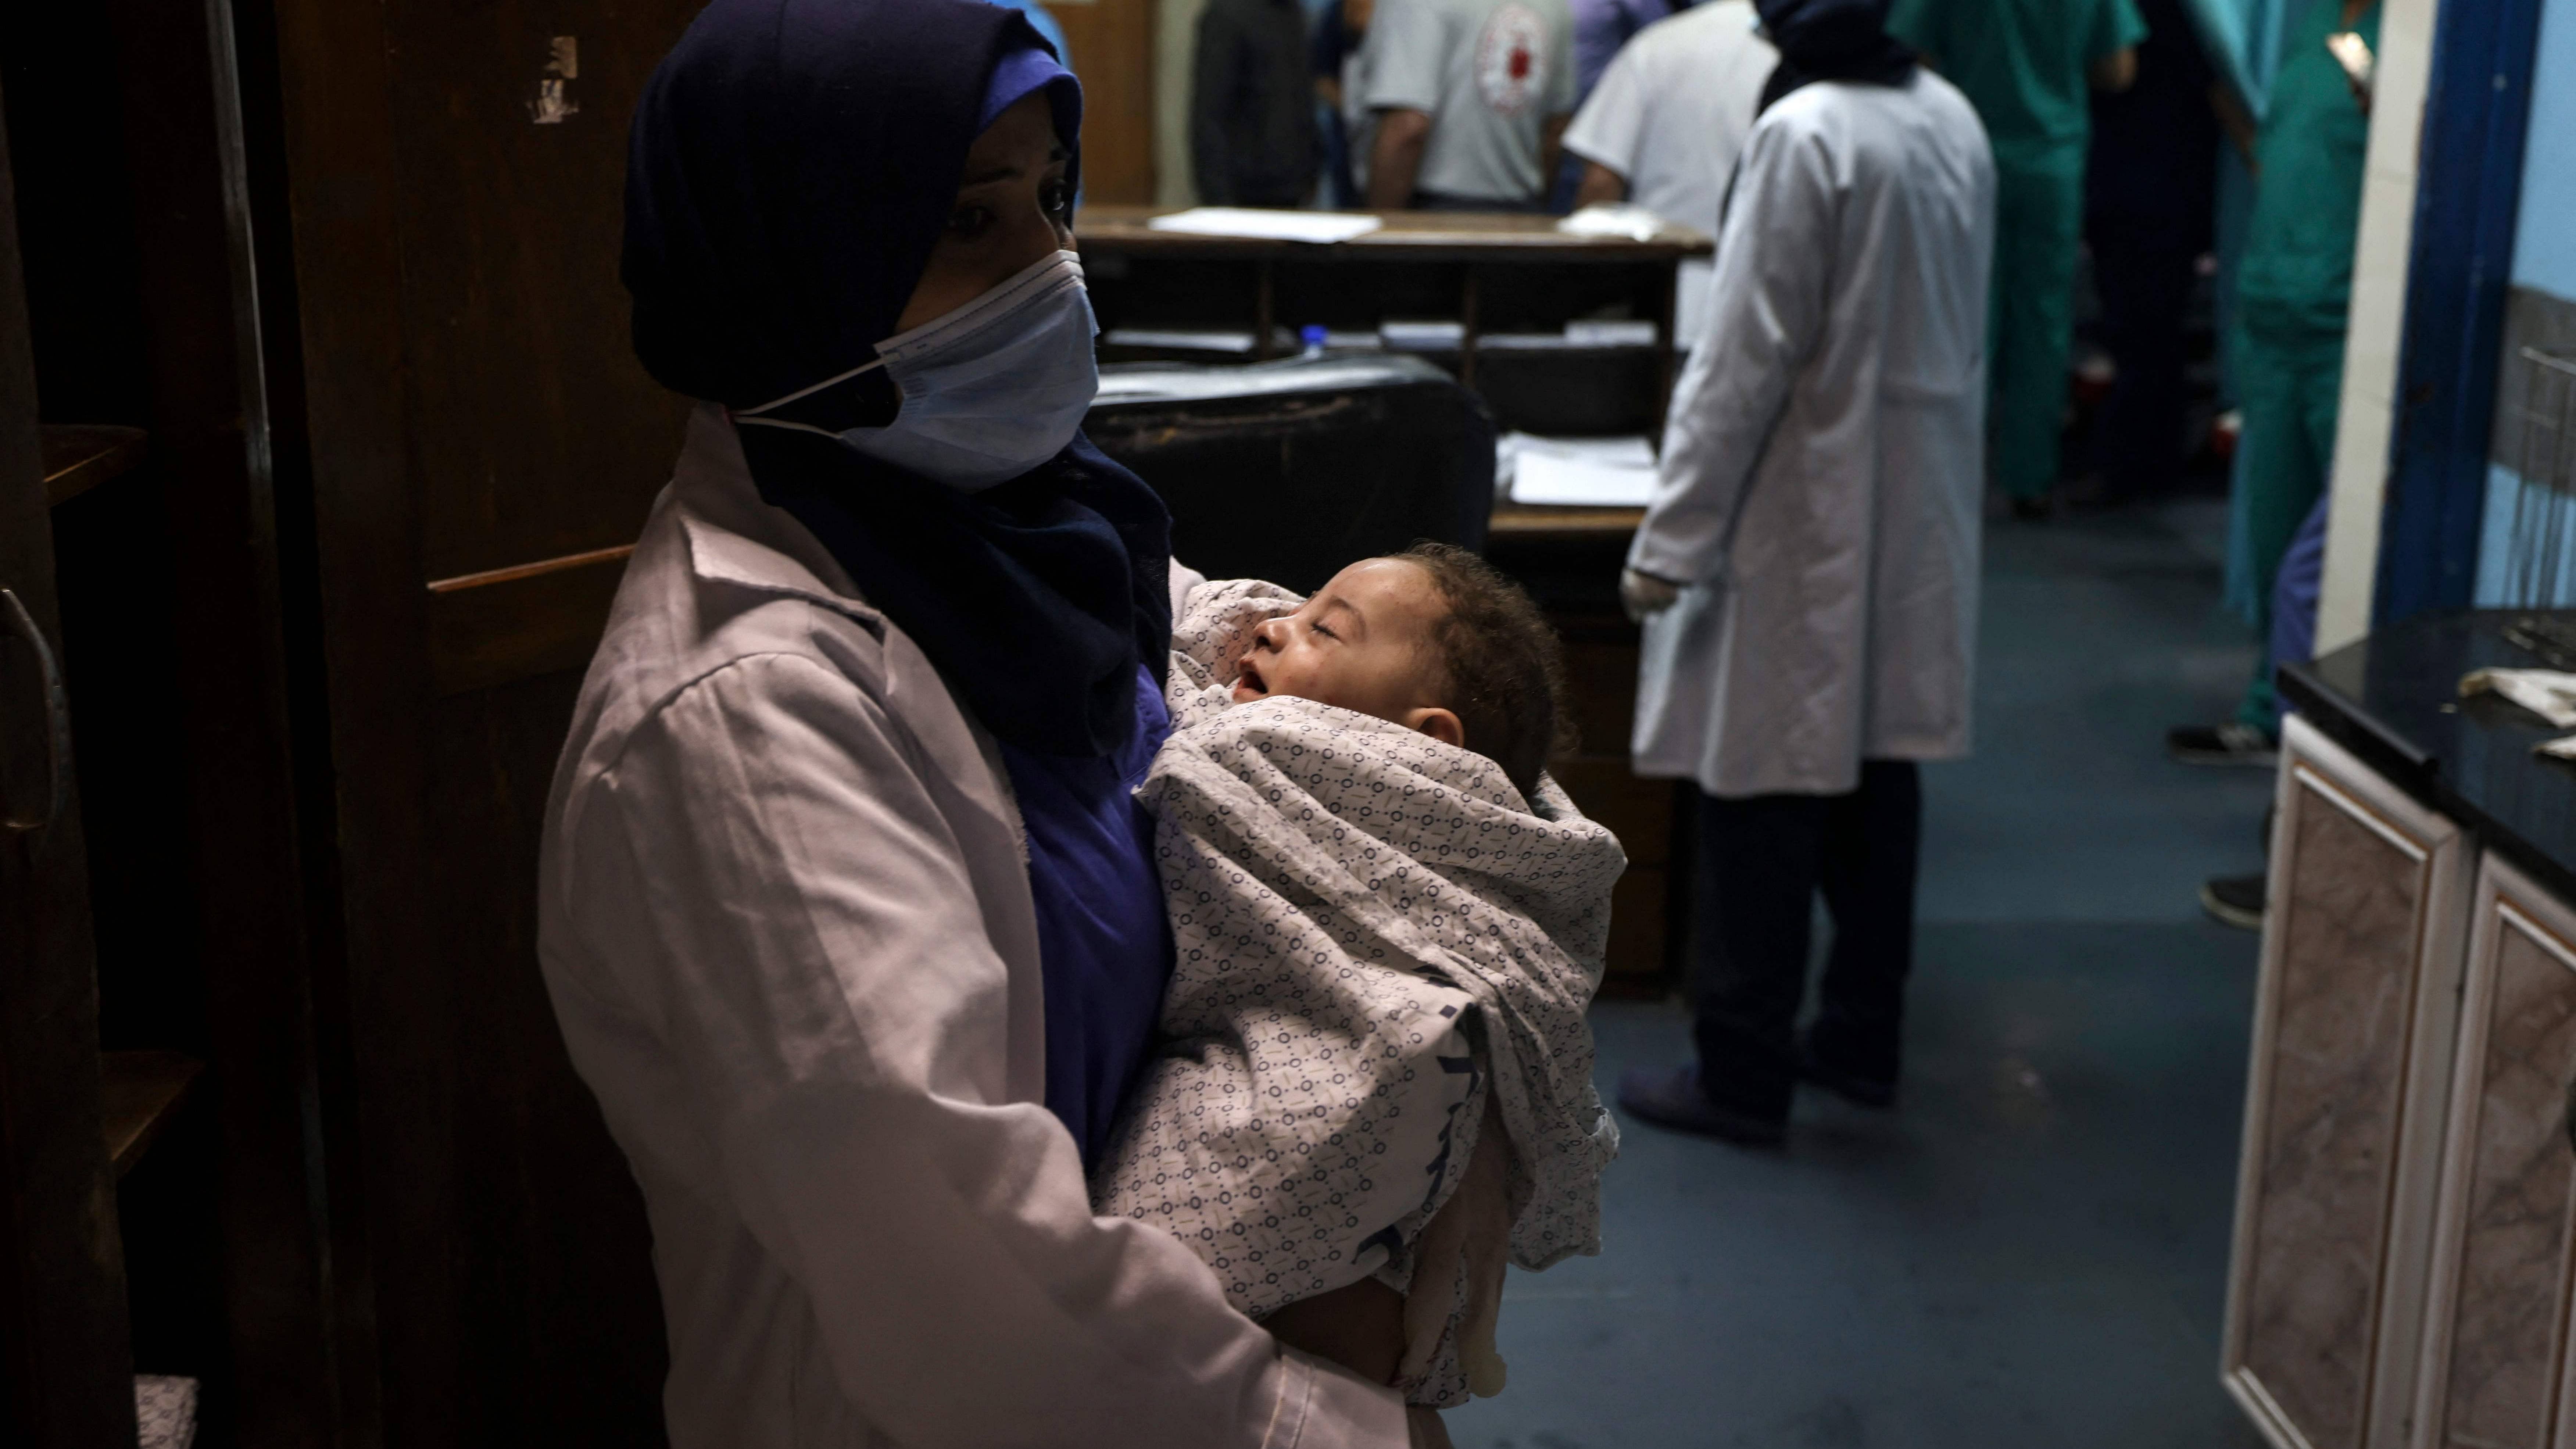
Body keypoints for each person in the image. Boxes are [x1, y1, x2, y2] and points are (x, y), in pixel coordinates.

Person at [545, 1, 1441, 1443]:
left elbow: (1199, 636)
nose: (1055, 272)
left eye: (1052, 198)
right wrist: (1341, 1430)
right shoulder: (743, 720)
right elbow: (979, 1308)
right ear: (790, 263)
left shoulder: (1016, 528)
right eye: (970, 220)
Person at [1099, 545, 1620, 1406]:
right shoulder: (1272, 682)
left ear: (1425, 742)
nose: (1269, 628)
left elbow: (1198, 747)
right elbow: (1209, 613)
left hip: (1349, 1074)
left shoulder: (1280, 751)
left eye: (1323, 629)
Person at [1610, 0, 1995, 1146]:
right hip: (1910, 511)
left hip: (1804, 508)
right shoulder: (1947, 114)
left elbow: (1740, 357)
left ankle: (1740, 1074)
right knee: (1878, 786)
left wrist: (1667, 543)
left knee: (1762, 794)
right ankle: (1859, 1043)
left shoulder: (1804, 130)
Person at [2167, 0, 2376, 767]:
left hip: (2345, 331)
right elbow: (2273, 146)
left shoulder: (2407, 41)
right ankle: (2268, 707)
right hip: (2274, 316)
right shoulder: (2308, 29)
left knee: (2335, 563)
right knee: (2275, 538)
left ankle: (2331, 754)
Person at [1888, 0, 2141, 518]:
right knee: (2043, 322)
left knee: (1962, 318)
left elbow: (1914, 51)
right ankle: (2031, 478)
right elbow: (2118, 70)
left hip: (1966, 153)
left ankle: (1950, 471)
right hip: (2052, 159)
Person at [1561, 0, 1776, 340]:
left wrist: (1584, 293)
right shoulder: (1802, 58)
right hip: (1765, 308)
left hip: (1662, 298)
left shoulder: (1658, 45)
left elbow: (1601, 185)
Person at [2081, 0, 2221, 502]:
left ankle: (2135, 465)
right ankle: (2144, 459)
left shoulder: (2161, 16)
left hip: (2144, 188)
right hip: (2156, 186)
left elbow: (2117, 73)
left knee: (2143, 335)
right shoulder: (2193, 20)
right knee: (2149, 334)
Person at [1361, 0, 1578, 211]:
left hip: (1433, 210)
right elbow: (1556, 128)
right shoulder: (1555, 6)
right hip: (1523, 208)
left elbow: (1407, 128)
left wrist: (1381, 227)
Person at [1192, 0, 1321, 205]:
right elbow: (1210, 116)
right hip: (1245, 190)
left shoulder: (1293, 14)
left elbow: (1302, 97)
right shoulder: (1228, 15)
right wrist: (1219, 202)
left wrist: (1312, 169)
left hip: (1292, 186)